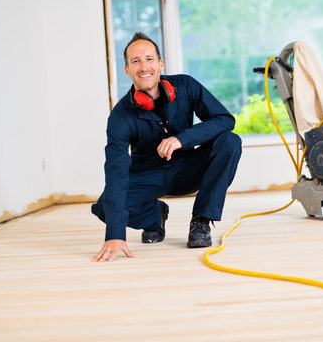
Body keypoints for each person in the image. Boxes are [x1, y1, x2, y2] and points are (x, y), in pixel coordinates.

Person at [91, 32, 242, 262]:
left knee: (230, 141)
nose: (144, 67)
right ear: (127, 70)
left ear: (160, 63)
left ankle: (201, 221)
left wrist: (183, 138)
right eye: (136, 61)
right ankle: (154, 215)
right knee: (105, 208)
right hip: (147, 176)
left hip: (186, 169)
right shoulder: (120, 116)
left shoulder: (186, 86)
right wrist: (114, 234)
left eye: (149, 59)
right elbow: (116, 171)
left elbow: (224, 120)